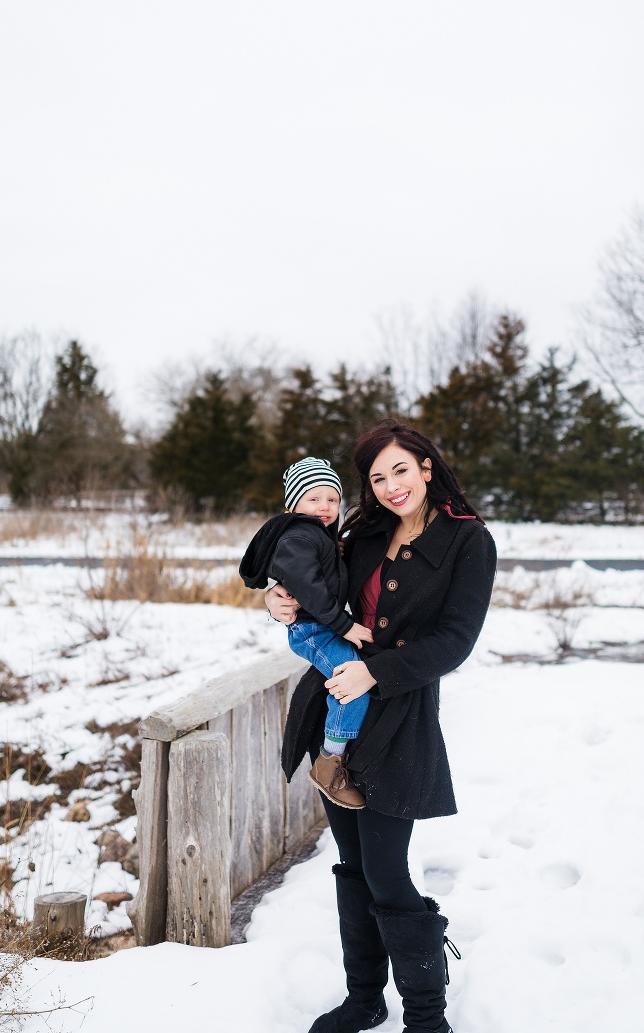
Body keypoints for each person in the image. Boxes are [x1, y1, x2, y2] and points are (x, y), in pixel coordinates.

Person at [267, 421, 497, 1033]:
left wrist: (377, 673)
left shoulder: (467, 541)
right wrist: (276, 598)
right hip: (334, 712)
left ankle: (426, 1018)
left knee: (387, 868)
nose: (391, 486)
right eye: (376, 477)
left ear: (426, 467)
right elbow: (314, 582)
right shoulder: (361, 531)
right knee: (351, 862)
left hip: (401, 716)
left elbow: (455, 641)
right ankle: (364, 999)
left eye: (400, 470)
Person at [239, 456, 374, 809]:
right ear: (293, 504)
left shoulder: (316, 537)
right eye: (313, 499)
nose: (325, 506)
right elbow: (309, 588)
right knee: (350, 689)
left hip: (320, 625)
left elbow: (322, 574)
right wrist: (344, 625)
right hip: (316, 630)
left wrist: (336, 553)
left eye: (332, 499)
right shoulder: (299, 536)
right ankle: (330, 764)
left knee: (350, 682)